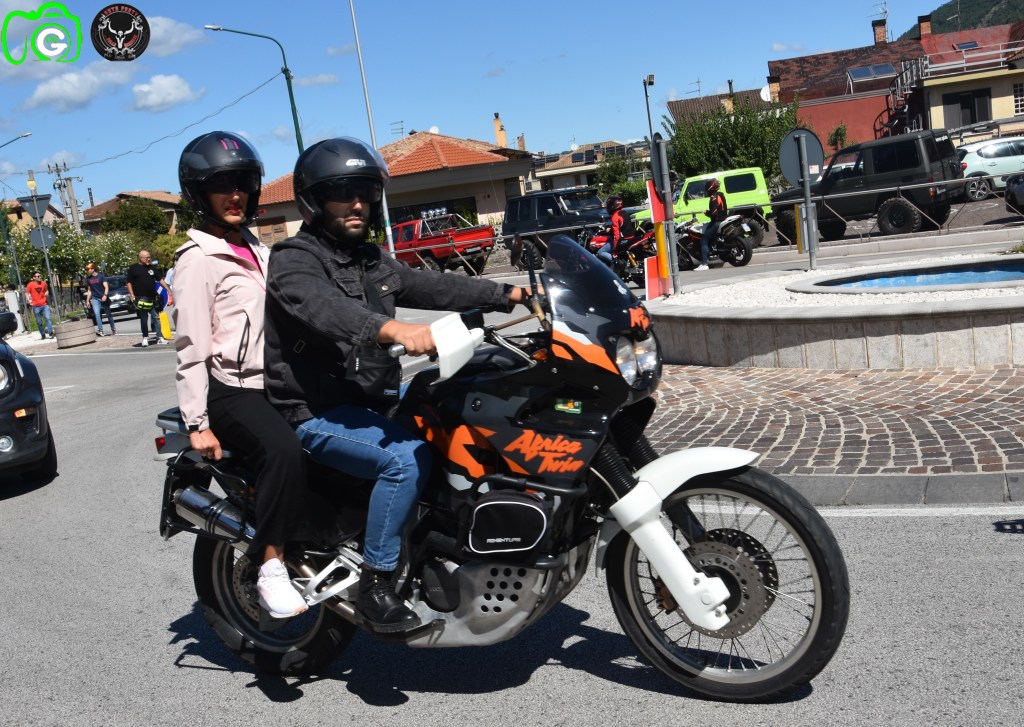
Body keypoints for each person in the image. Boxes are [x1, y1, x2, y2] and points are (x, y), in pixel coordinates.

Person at [263, 137, 531, 634]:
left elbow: (432, 285)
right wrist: (391, 329)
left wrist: (511, 294)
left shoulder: (369, 258)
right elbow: (325, 308)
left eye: (364, 192)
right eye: (342, 193)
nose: (357, 204)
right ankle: (377, 583)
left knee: (467, 406)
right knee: (405, 459)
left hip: (373, 398)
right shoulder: (293, 260)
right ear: (313, 202)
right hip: (317, 412)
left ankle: (446, 534)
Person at [173, 130, 309, 619]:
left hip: (276, 380)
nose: (235, 195)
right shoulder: (197, 260)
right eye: (221, 186)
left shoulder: (256, 247)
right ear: (199, 193)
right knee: (282, 450)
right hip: (231, 389)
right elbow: (190, 346)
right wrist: (196, 422)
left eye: (242, 184)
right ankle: (271, 566)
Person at [126, 249, 173, 347]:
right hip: (141, 298)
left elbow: (160, 279)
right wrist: (132, 295)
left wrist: (168, 290)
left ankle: (160, 337)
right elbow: (129, 282)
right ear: (141, 258)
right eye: (146, 257)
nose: (149, 259)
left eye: (149, 257)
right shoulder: (133, 268)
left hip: (153, 298)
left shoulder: (152, 268)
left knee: (156, 318)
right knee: (144, 319)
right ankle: (145, 338)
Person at [698, 177, 728, 271]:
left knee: (704, 241)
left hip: (716, 222)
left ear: (710, 187)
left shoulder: (713, 197)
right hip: (724, 220)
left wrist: (706, 213)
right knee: (711, 239)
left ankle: (704, 264)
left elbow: (714, 213)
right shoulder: (721, 194)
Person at [596, 194, 635, 266]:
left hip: (623, 240)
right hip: (631, 238)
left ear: (611, 206)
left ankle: (618, 262)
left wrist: (614, 252)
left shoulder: (615, 217)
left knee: (600, 252)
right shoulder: (624, 213)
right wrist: (611, 229)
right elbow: (623, 226)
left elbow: (617, 237)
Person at [84, 263, 116, 336]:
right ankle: (100, 330)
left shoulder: (101, 276)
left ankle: (113, 328)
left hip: (103, 297)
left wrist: (105, 295)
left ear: (93, 269)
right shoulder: (88, 279)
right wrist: (87, 300)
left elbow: (106, 287)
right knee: (97, 314)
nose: (88, 270)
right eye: (87, 269)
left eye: (89, 269)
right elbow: (89, 290)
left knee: (108, 314)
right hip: (95, 298)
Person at [25, 271, 53, 340]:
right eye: (38, 276)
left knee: (48, 318)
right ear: (34, 278)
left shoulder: (43, 283)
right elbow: (27, 293)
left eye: (40, 276)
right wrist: (29, 300)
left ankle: (50, 333)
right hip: (36, 306)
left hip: (44, 305)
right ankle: (43, 334)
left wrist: (46, 293)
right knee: (39, 322)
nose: (40, 277)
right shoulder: (30, 285)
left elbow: (46, 290)